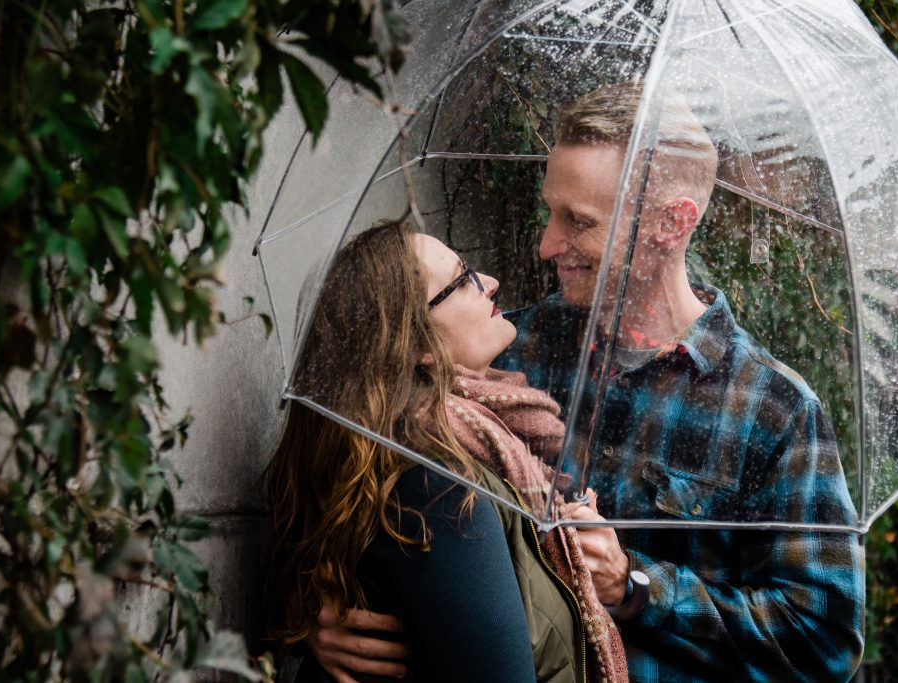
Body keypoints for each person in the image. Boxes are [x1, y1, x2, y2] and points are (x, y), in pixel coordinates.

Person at [304, 83, 867, 682]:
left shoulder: (773, 411)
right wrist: (319, 620)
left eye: (579, 222)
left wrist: (636, 586)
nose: (548, 244)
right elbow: (358, 483)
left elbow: (823, 644)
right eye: (551, 210)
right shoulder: (504, 350)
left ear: (672, 224)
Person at [261, 219, 629, 683]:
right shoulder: (440, 490)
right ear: (417, 345)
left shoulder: (474, 439)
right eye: (465, 278)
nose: (492, 283)